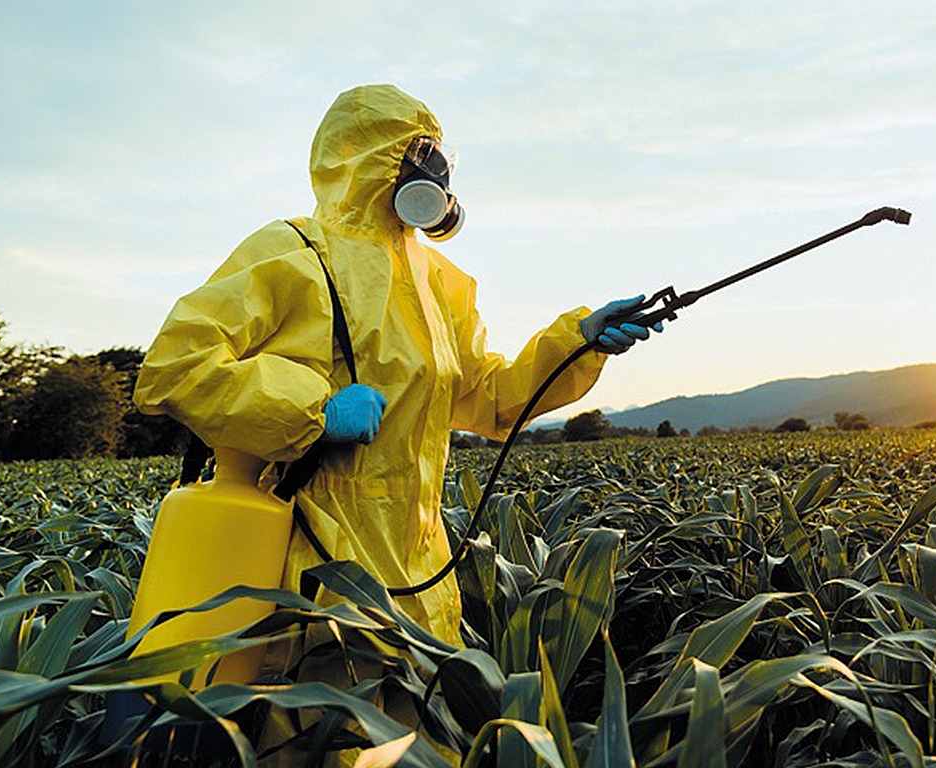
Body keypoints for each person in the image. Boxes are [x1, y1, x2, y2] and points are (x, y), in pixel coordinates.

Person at [132, 83, 656, 764]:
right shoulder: (293, 252)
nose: (436, 172)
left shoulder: (440, 283)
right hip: (315, 565)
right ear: (371, 157)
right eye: (421, 152)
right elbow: (175, 366)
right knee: (322, 745)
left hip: (420, 563)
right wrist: (312, 410)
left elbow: (489, 399)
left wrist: (575, 343)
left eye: (438, 156)